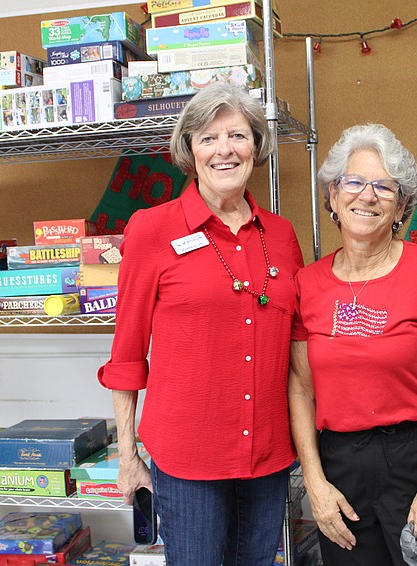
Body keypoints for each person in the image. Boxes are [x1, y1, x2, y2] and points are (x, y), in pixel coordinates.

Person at [98, 82, 304, 566]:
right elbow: (126, 354)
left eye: (237, 135)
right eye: (208, 138)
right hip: (188, 458)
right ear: (189, 151)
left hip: (269, 454)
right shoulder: (151, 229)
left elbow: (298, 347)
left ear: (257, 145)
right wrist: (129, 457)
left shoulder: (282, 235)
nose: (224, 150)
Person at [288, 124, 417, 565]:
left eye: (383, 187)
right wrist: (315, 484)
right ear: (333, 196)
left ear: (401, 206)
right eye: (353, 182)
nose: (366, 196)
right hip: (340, 467)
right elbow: (299, 387)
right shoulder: (307, 283)